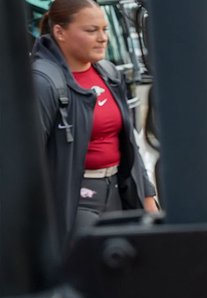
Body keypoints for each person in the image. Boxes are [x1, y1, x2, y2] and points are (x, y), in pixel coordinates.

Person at [33, 0, 156, 250]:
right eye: (91, 30)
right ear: (59, 32)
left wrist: (147, 196)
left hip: (117, 194)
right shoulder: (43, 83)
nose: (102, 38)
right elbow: (25, 163)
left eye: (105, 29)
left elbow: (130, 143)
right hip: (75, 202)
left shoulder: (109, 73)